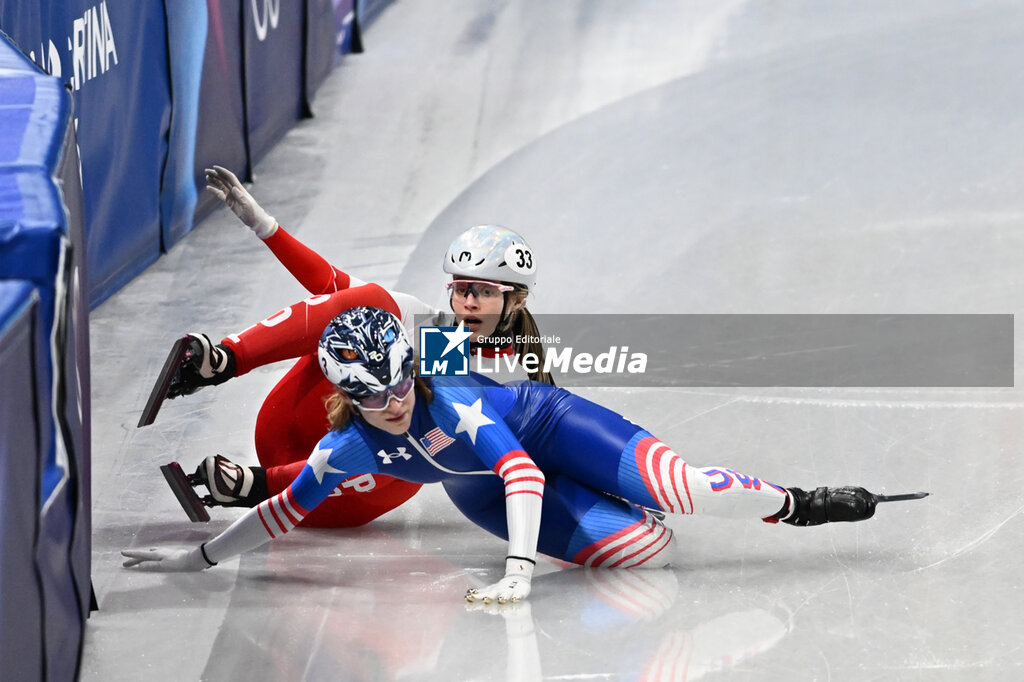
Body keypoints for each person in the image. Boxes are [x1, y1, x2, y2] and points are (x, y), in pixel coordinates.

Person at [124, 307, 897, 604]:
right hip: (483, 491)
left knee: (681, 490)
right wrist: (199, 558)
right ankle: (612, 507)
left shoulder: (450, 400)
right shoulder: (346, 447)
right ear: (346, 399)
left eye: (401, 381)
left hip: (546, 431)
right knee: (651, 552)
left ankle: (798, 503)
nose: (395, 401)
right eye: (374, 396)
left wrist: (519, 573)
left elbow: (521, 469)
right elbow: (280, 514)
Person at [158, 167, 555, 527]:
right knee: (372, 306)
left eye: (485, 292)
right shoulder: (434, 328)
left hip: (334, 496)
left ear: (516, 300)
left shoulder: (519, 376)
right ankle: (224, 360)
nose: (469, 303)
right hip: (285, 432)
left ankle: (253, 486)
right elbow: (331, 288)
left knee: (416, 428)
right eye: (461, 288)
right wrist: (264, 225)